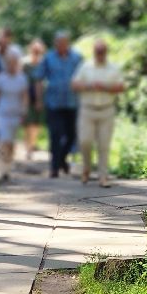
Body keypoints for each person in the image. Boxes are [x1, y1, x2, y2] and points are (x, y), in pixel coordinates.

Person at [72, 37, 127, 187]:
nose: (100, 54)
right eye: (98, 51)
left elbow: (121, 87)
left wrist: (105, 87)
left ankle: (103, 177)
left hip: (106, 109)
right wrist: (89, 86)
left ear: (106, 52)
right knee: (85, 141)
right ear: (94, 52)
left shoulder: (113, 68)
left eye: (102, 51)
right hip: (87, 109)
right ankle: (86, 168)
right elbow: (74, 84)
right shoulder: (86, 66)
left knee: (104, 144)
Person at [39, 31, 83, 178]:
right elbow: (39, 78)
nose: (61, 45)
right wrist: (38, 100)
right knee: (55, 135)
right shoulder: (48, 58)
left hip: (72, 102)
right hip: (53, 103)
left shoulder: (77, 58)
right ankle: (54, 167)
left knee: (71, 135)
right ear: (55, 43)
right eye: (59, 42)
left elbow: (84, 77)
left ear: (68, 43)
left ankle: (62, 159)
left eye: (64, 42)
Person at [0, 49, 28, 178]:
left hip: (15, 114)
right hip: (1, 114)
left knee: (11, 143)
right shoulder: (0, 78)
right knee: (4, 141)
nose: (12, 65)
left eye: (14, 63)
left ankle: (8, 165)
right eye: (9, 63)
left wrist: (24, 110)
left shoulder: (22, 78)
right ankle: (3, 168)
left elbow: (25, 96)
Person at [22, 39, 48, 160]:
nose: (37, 52)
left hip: (40, 97)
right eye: (35, 50)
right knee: (27, 122)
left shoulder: (44, 63)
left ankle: (31, 145)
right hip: (26, 95)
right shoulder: (25, 64)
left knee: (36, 124)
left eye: (39, 50)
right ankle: (28, 146)